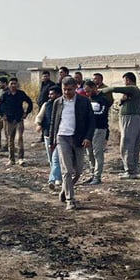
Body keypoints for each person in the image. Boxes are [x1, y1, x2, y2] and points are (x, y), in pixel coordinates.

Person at [48, 77, 93, 210]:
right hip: (62, 138)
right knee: (66, 170)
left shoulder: (83, 101)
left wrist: (88, 137)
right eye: (64, 89)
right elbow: (53, 123)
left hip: (78, 138)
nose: (66, 92)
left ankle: (65, 189)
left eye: (69, 89)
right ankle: (70, 199)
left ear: (75, 88)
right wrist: (52, 141)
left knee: (78, 170)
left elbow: (91, 121)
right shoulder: (57, 102)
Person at [102, 72, 140, 178]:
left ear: (128, 80)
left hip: (130, 119)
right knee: (130, 144)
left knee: (127, 144)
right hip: (130, 118)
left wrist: (101, 91)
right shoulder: (131, 93)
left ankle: (130, 171)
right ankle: (131, 170)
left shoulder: (133, 89)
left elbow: (115, 88)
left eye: (124, 80)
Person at [0, 78, 34, 165]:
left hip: (19, 119)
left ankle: (21, 158)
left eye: (15, 83)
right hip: (8, 120)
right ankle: (11, 159)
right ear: (9, 85)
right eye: (11, 83)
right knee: (10, 140)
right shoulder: (5, 95)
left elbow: (30, 103)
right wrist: (2, 115)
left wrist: (26, 113)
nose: (13, 85)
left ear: (17, 84)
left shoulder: (21, 94)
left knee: (19, 138)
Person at [35, 84, 63, 190]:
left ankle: (54, 179)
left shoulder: (63, 105)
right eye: (49, 94)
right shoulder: (46, 105)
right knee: (51, 158)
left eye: (52, 94)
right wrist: (38, 124)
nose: (50, 96)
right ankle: (57, 176)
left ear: (58, 94)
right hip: (47, 135)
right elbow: (40, 117)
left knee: (56, 158)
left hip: (60, 136)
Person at [85, 80, 113, 185]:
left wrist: (90, 115)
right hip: (89, 130)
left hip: (99, 129)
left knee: (98, 153)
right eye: (86, 91)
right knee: (89, 153)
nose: (87, 93)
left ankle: (97, 176)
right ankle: (93, 174)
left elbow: (101, 113)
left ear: (95, 88)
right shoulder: (87, 100)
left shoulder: (103, 100)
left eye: (89, 91)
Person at [36, 70, 57, 143]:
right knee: (41, 120)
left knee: (46, 120)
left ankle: (44, 137)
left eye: (46, 76)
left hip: (48, 105)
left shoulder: (51, 84)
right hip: (42, 105)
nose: (45, 77)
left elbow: (52, 95)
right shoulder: (42, 84)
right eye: (44, 76)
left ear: (49, 76)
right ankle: (42, 136)